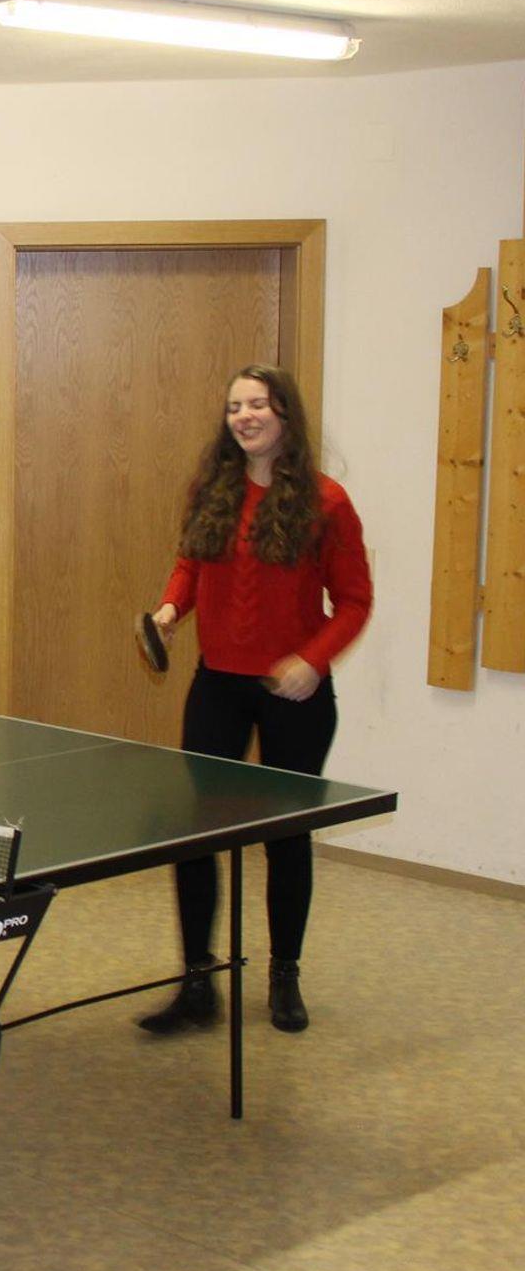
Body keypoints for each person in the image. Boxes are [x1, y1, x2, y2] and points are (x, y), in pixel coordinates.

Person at [139, 365, 371, 1037]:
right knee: (195, 837)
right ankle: (197, 982)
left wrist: (311, 661)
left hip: (294, 693)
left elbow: (354, 602)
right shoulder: (211, 489)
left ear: (285, 415)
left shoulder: (327, 502)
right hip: (217, 684)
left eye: (258, 404)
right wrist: (170, 608)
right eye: (235, 406)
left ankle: (284, 974)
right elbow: (191, 562)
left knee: (285, 837)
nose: (244, 416)